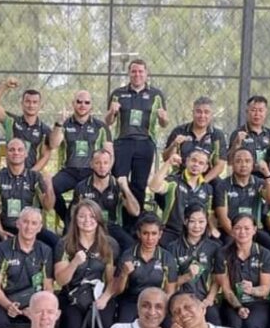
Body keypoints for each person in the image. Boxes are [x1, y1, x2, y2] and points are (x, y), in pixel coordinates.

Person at [106, 59, 168, 227]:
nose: (137, 74)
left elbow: (164, 123)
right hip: (123, 143)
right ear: (129, 73)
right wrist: (112, 112)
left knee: (139, 185)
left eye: (141, 71)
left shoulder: (156, 95)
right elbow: (108, 121)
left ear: (146, 73)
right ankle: (117, 221)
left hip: (145, 143)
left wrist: (163, 118)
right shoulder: (118, 93)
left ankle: (135, 225)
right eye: (134, 71)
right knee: (119, 181)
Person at [53, 200, 118, 328]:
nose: (87, 220)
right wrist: (74, 263)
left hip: (99, 295)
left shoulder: (109, 244)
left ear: (98, 219)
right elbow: (61, 280)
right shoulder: (64, 244)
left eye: (92, 216)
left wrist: (105, 298)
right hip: (72, 297)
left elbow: (112, 279)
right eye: (82, 216)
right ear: (75, 219)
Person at [0, 138, 57, 251]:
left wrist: (49, 187)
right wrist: (0, 231)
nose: (16, 153)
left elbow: (48, 206)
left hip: (30, 228)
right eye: (12, 150)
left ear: (26, 154)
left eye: (20, 150)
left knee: (56, 242)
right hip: (4, 227)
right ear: (6, 153)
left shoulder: (35, 177)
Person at [49, 90, 113, 226]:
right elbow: (53, 144)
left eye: (86, 102)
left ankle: (89, 225)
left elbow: (110, 153)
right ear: (73, 104)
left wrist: (105, 174)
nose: (82, 105)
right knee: (50, 188)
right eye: (79, 102)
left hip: (91, 172)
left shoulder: (101, 127)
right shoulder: (65, 124)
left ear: (91, 106)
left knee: (87, 196)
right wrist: (59, 124)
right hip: (69, 171)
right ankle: (67, 220)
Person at [0, 207, 55, 328]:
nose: (29, 227)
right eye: (25, 222)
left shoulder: (45, 251)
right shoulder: (1, 249)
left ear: (40, 227)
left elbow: (48, 287)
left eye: (34, 223)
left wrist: (37, 307)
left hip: (33, 301)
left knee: (48, 322)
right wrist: (9, 306)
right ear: (18, 223)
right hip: (6, 300)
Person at [215, 214, 270, 328]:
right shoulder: (223, 254)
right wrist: (239, 307)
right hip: (232, 302)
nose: (242, 232)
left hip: (258, 302)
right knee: (234, 326)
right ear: (232, 230)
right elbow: (226, 289)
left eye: (247, 228)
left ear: (254, 230)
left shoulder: (265, 254)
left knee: (251, 326)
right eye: (238, 228)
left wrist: (252, 290)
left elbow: (265, 289)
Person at [69, 148, 140, 251]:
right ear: (91, 164)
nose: (102, 167)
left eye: (105, 163)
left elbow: (135, 212)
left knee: (131, 246)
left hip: (112, 226)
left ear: (111, 164)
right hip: (89, 225)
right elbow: (73, 213)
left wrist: (125, 188)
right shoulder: (82, 186)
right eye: (98, 163)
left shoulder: (117, 185)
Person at [113, 213, 178, 323]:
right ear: (139, 234)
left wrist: (156, 308)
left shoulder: (167, 257)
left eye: (154, 233)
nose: (150, 238)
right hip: (133, 301)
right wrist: (124, 274)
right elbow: (117, 291)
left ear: (160, 234)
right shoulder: (128, 255)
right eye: (145, 233)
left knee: (170, 325)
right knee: (123, 325)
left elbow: (170, 291)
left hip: (158, 302)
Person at [214, 146, 270, 254]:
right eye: (238, 161)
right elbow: (223, 218)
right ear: (232, 163)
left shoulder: (259, 183)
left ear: (253, 164)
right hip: (232, 231)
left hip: (254, 231)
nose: (243, 164)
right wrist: (239, 235)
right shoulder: (223, 185)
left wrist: (268, 175)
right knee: (228, 249)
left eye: (247, 161)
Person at [166, 204, 222, 324]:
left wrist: (209, 299)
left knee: (214, 320)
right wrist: (187, 276)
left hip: (204, 299)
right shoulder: (172, 247)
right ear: (185, 221)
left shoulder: (215, 247)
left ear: (207, 222)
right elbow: (169, 283)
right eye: (192, 221)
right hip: (180, 299)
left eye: (201, 221)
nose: (197, 226)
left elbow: (218, 279)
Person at [149, 150, 217, 246]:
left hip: (195, 234)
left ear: (205, 168)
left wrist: (213, 229)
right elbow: (153, 187)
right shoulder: (174, 181)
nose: (196, 164)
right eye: (193, 160)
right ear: (187, 161)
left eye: (201, 163)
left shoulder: (208, 189)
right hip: (171, 231)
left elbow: (208, 213)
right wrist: (168, 163)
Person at [0, 77, 52, 171]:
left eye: (35, 102)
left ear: (40, 105)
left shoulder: (45, 129)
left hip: (31, 173)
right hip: (10, 173)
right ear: (22, 103)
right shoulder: (11, 121)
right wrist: (5, 85)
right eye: (27, 101)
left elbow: (45, 156)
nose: (31, 105)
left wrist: (30, 174)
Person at [163, 96, 228, 182]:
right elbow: (165, 158)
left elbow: (220, 165)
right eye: (198, 111)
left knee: (221, 186)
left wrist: (201, 183)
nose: (202, 116)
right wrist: (173, 145)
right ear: (193, 113)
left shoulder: (217, 135)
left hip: (207, 179)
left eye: (206, 112)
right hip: (181, 177)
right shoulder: (179, 131)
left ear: (211, 115)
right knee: (164, 185)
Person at [228, 95, 270, 181]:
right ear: (247, 112)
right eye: (253, 110)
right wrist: (236, 144)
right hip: (247, 178)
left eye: (260, 110)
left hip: (269, 177)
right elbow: (229, 161)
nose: (257, 114)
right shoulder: (238, 134)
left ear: (265, 112)